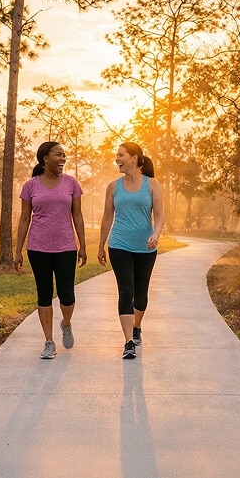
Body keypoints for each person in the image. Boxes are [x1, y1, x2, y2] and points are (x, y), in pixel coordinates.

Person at [14, 141, 87, 359]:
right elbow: (25, 218)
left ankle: (66, 323)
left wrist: (83, 245)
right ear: (45, 158)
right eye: (58, 155)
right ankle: (48, 341)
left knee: (67, 294)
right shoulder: (30, 186)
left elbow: (78, 216)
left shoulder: (71, 183)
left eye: (64, 155)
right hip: (38, 247)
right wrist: (17, 251)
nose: (63, 158)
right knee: (44, 294)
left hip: (66, 247)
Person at [97, 142, 164, 359]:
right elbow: (107, 217)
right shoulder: (113, 186)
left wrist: (156, 234)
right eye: (116, 155)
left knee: (141, 295)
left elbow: (160, 216)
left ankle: (137, 326)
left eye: (120, 155)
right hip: (119, 244)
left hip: (145, 246)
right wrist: (101, 245)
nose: (117, 159)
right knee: (125, 291)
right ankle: (128, 342)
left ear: (134, 158)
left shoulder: (152, 184)